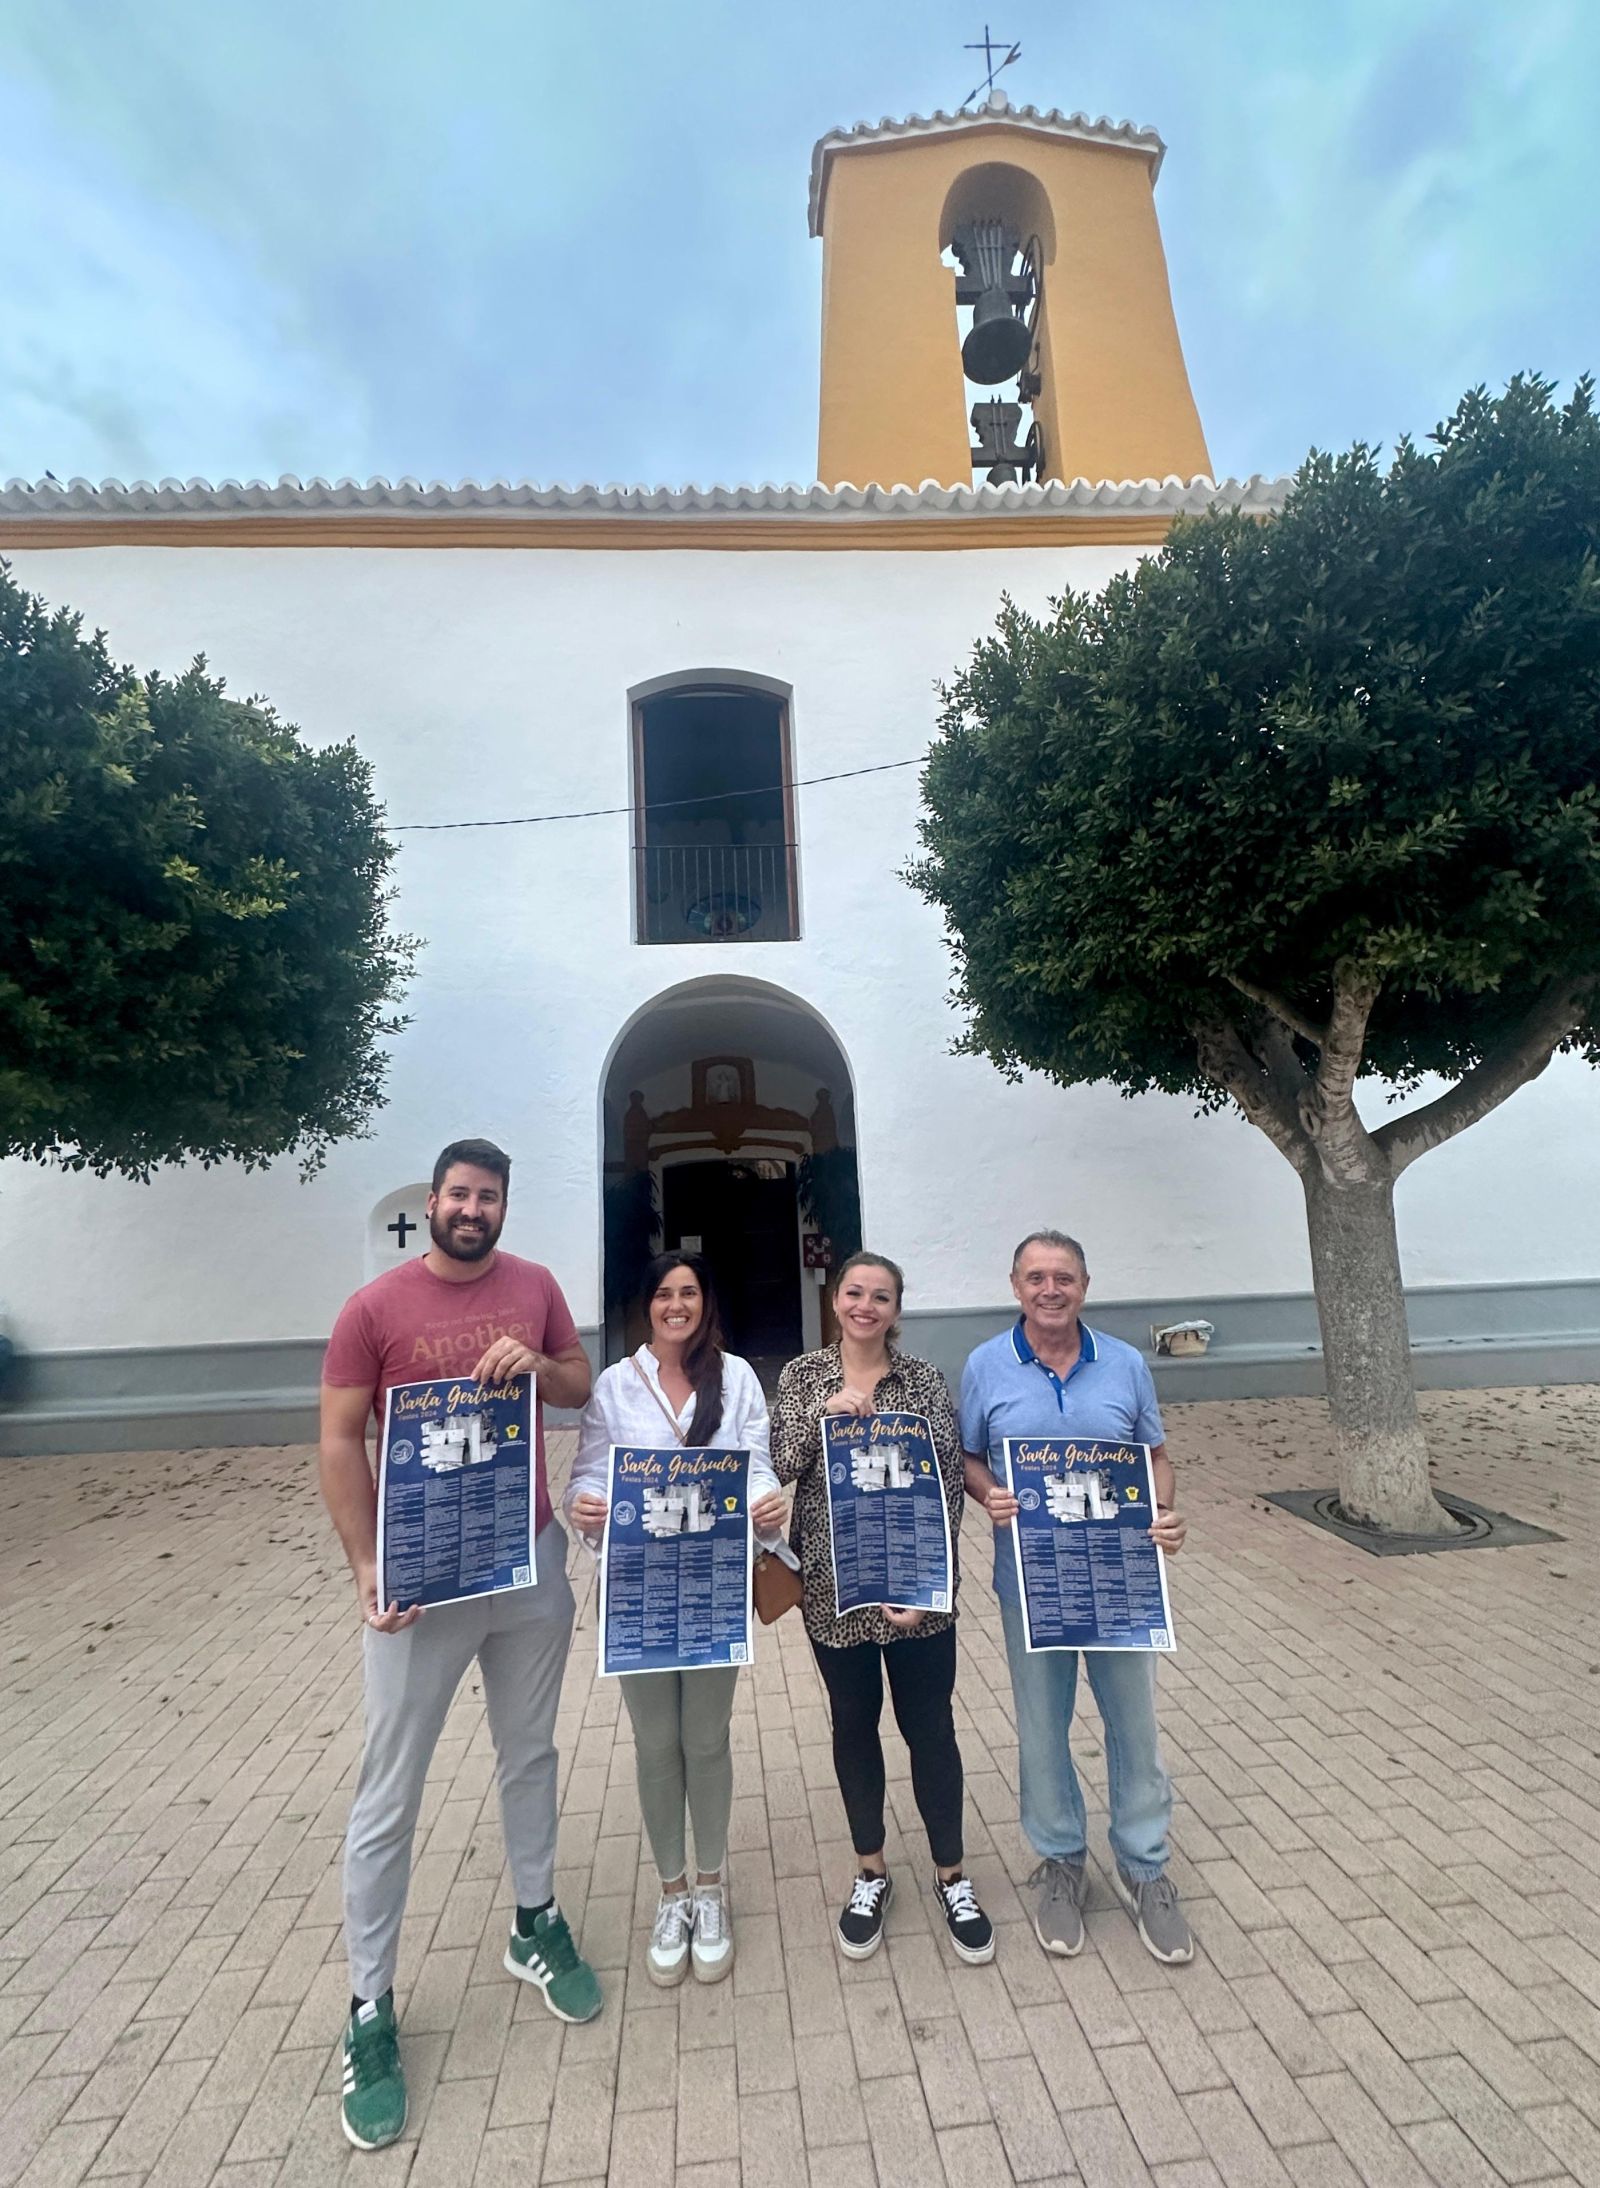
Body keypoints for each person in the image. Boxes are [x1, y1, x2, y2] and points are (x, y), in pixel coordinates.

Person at [320, 1139, 601, 2152]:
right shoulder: (373, 1309)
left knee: (529, 1752)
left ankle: (534, 1921)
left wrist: (541, 1361)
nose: (473, 1207)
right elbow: (337, 1436)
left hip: (524, 1560)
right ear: (432, 1201)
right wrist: (364, 1563)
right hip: (423, 1578)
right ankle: (368, 2006)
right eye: (459, 1193)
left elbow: (577, 1381)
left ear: (502, 1205)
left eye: (489, 1196)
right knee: (390, 1786)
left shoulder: (532, 1287)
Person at [961, 1229, 1193, 1966]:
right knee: (1041, 1727)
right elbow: (969, 1456)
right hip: (1032, 1582)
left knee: (1135, 1727)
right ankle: (1060, 1862)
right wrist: (989, 1493)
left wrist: (1162, 1512)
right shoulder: (985, 1366)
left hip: (1122, 1579)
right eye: (1036, 1276)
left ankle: (1144, 1866)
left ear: (1084, 1286)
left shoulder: (1124, 1364)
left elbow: (1154, 1457)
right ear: (1015, 1285)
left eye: (1063, 1276)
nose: (1049, 1288)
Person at [565, 1251, 789, 1986]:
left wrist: (766, 1503)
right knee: (656, 1742)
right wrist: (586, 1507)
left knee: (707, 1738)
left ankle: (713, 1887)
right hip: (636, 1591)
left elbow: (754, 1462)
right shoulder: (614, 1385)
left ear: (705, 1302)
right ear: (647, 1306)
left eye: (689, 1292)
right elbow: (591, 1472)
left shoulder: (739, 1378)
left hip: (714, 1586)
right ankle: (672, 1894)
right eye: (664, 1293)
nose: (676, 1305)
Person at [772, 1252, 994, 1966]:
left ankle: (952, 1875)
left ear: (897, 1309)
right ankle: (871, 1870)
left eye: (882, 1296)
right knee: (853, 1726)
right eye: (855, 1293)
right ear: (836, 1299)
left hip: (913, 1596)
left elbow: (947, 1488)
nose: (866, 1305)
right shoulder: (803, 1375)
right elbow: (779, 1463)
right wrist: (821, 1417)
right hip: (835, 1594)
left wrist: (929, 1584)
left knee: (931, 1729)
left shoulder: (923, 1379)